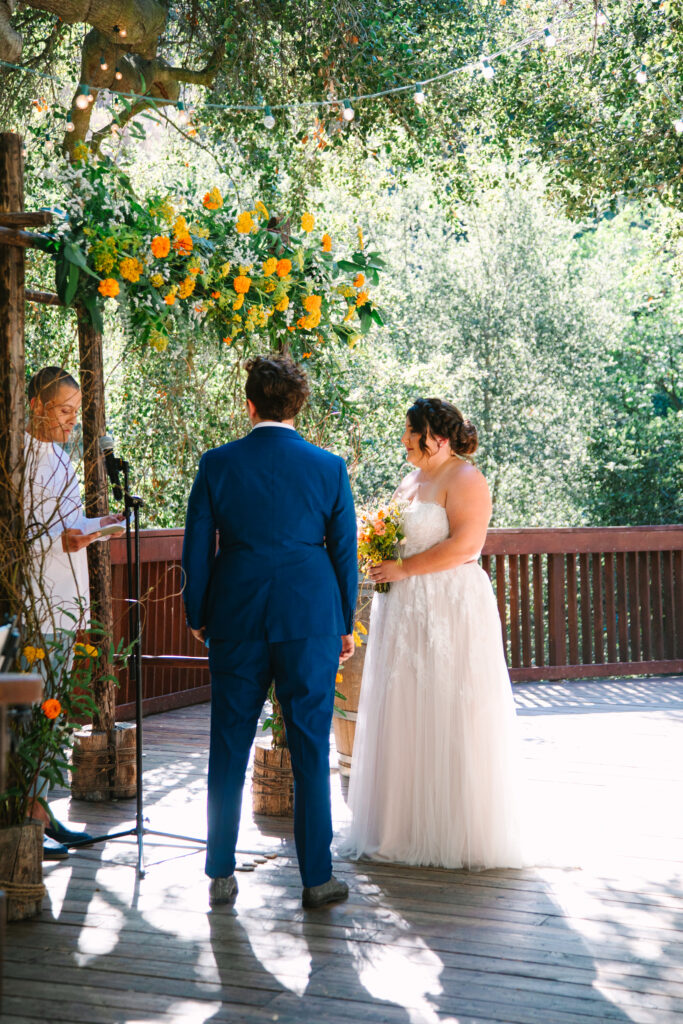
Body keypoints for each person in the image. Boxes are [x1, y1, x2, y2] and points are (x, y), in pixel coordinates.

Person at [182, 355, 358, 908]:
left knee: (228, 744)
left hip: (236, 617)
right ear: (297, 406)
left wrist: (197, 615)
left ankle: (219, 873)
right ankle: (317, 879)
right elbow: (345, 553)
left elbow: (197, 548)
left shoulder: (216, 464)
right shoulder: (329, 467)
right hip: (310, 618)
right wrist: (344, 622)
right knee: (309, 746)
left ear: (250, 403)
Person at [344, 397, 523, 869]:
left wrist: (403, 568)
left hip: (449, 604)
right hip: (404, 607)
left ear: (437, 437)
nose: (403, 439)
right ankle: (399, 825)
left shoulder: (465, 478)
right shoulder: (411, 480)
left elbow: (467, 546)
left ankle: (454, 832)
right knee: (404, 704)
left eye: (410, 431)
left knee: (449, 703)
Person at [24, 366, 124, 859]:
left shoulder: (61, 461)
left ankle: (42, 811)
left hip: (66, 602)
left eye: (74, 413)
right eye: (64, 412)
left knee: (55, 713)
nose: (70, 423)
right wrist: (66, 538)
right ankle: (28, 818)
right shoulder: (19, 460)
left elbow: (68, 527)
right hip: (35, 603)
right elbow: (23, 536)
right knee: (33, 713)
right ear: (38, 407)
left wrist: (99, 524)